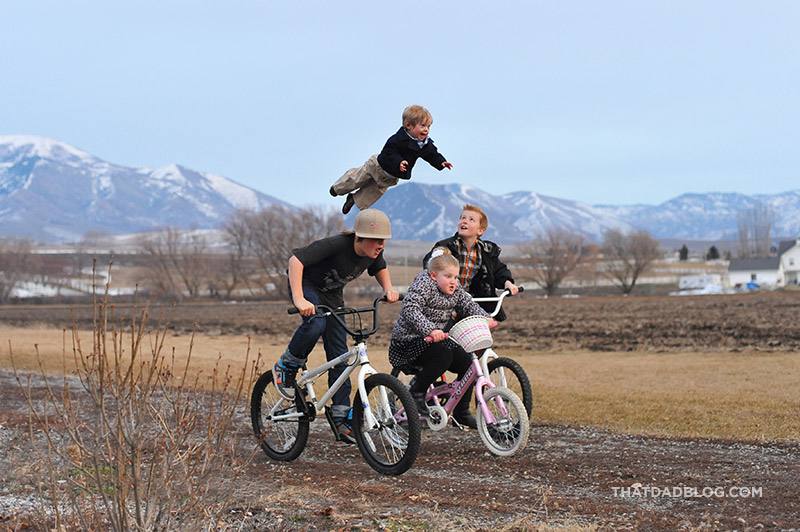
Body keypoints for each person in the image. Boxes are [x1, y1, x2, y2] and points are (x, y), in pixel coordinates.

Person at [273, 209, 399, 443]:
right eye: (376, 240)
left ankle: (341, 416)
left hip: (331, 295)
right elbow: (295, 260)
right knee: (316, 323)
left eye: (383, 241)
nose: (380, 245)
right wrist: (300, 299)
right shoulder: (337, 245)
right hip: (307, 286)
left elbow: (380, 268)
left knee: (341, 354)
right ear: (359, 237)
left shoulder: (372, 253)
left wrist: (388, 289)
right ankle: (287, 365)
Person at [389, 247, 497, 429]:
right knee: (444, 355)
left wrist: (485, 318)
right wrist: (430, 330)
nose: (453, 281)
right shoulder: (423, 284)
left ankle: (458, 406)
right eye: (448, 276)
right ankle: (417, 390)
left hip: (435, 341)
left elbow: (467, 304)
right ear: (433, 275)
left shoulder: (454, 288)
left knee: (468, 361)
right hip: (409, 342)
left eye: (455, 277)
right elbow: (410, 309)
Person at [330, 104, 453, 214]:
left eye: (428, 126)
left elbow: (432, 154)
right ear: (408, 125)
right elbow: (389, 151)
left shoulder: (424, 144)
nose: (426, 129)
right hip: (377, 166)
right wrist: (399, 162)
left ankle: (353, 199)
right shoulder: (397, 139)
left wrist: (441, 162)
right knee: (357, 178)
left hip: (390, 176)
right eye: (422, 126)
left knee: (373, 193)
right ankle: (337, 188)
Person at [423, 204, 519, 321]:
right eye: (462, 218)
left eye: (471, 219)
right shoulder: (446, 246)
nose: (464, 221)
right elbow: (432, 262)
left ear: (480, 230)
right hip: (446, 301)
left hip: (473, 302)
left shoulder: (486, 251)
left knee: (479, 334)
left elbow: (498, 269)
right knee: (445, 334)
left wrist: (507, 282)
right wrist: (437, 255)